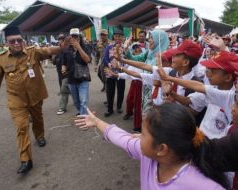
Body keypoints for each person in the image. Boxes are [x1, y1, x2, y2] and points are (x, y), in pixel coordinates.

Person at [75, 104, 228, 189]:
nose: (135, 136)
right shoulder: (149, 156)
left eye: (142, 133)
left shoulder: (204, 186)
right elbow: (120, 137)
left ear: (162, 149)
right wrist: (96, 122)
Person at [0, 26, 69, 174]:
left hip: (35, 96)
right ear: (6, 42)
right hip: (16, 99)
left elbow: (48, 51)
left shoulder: (33, 52)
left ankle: (39, 136)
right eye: (12, 41)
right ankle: (26, 160)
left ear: (23, 40)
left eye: (19, 40)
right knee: (21, 127)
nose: (16, 43)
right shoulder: (1, 59)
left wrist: (60, 47)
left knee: (37, 118)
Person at [62, 28, 91, 115]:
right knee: (76, 101)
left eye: (76, 36)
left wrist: (78, 47)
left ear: (79, 37)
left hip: (83, 78)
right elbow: (64, 62)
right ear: (70, 37)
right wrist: (63, 68)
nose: (74, 38)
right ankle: (80, 111)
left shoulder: (85, 47)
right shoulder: (67, 49)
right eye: (72, 36)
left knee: (84, 100)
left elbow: (87, 60)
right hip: (71, 79)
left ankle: (83, 117)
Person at [104, 26, 126, 117]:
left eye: (120, 36)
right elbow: (105, 58)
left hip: (121, 73)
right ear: (114, 37)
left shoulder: (125, 48)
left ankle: (119, 107)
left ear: (123, 37)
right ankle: (110, 109)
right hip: (110, 72)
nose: (118, 38)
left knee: (121, 90)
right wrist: (109, 65)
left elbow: (128, 58)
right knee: (110, 91)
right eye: (116, 36)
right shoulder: (109, 47)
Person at [53, 34, 70, 115]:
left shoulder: (68, 49)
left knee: (63, 90)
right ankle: (77, 101)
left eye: (62, 40)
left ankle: (62, 108)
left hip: (68, 74)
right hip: (60, 74)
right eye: (59, 40)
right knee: (66, 89)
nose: (60, 41)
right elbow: (53, 61)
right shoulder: (57, 51)